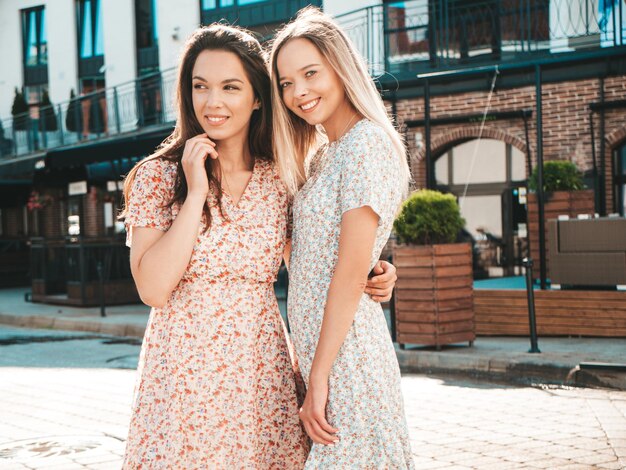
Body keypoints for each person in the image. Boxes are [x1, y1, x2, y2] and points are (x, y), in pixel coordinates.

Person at [121, 23, 397, 468]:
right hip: (185, 373)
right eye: (200, 87)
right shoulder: (157, 177)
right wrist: (194, 194)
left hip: (261, 369)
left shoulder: (279, 178)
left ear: (256, 97)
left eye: (230, 87)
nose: (213, 102)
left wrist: (376, 269)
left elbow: (311, 258)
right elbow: (153, 289)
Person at [270, 7, 415, 468]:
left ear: (340, 67)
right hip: (324, 358)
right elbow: (310, 259)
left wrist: (318, 380)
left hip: (348, 362)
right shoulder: (320, 158)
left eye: (310, 73)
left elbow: (350, 271)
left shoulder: (366, 143)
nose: (299, 92)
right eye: (287, 83)